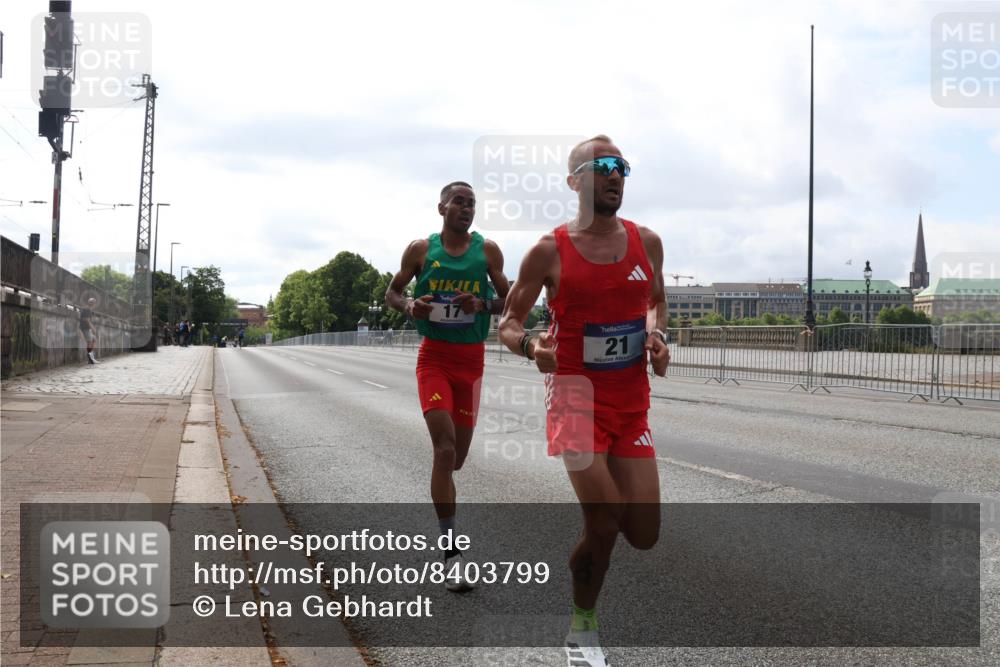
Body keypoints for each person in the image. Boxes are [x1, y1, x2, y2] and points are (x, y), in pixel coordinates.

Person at [498, 135, 670, 665]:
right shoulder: (548, 251)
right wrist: (530, 346)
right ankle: (582, 629)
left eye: (621, 166)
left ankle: (585, 582)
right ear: (575, 181)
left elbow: (656, 302)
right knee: (604, 517)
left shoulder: (649, 242)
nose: (615, 175)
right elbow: (507, 322)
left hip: (630, 402)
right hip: (573, 397)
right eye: (602, 166)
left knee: (642, 533)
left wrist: (659, 336)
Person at [386, 181, 510, 592]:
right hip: (435, 358)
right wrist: (409, 305)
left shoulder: (487, 251)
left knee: (457, 459)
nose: (467, 209)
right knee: (444, 450)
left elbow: (512, 300)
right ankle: (452, 554)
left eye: (472, 204)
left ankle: (445, 496)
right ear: (442, 207)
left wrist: (483, 305)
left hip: (471, 361)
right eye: (459, 202)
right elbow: (392, 291)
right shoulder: (421, 250)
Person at [78, 297, 99, 364]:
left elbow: (87, 320)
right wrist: (92, 328)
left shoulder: (89, 310)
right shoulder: (87, 309)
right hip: (84, 328)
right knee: (90, 342)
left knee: (93, 340)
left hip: (87, 328)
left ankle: (91, 357)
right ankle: (90, 359)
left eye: (93, 302)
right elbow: (86, 320)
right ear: (89, 302)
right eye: (91, 302)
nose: (92, 303)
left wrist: (91, 327)